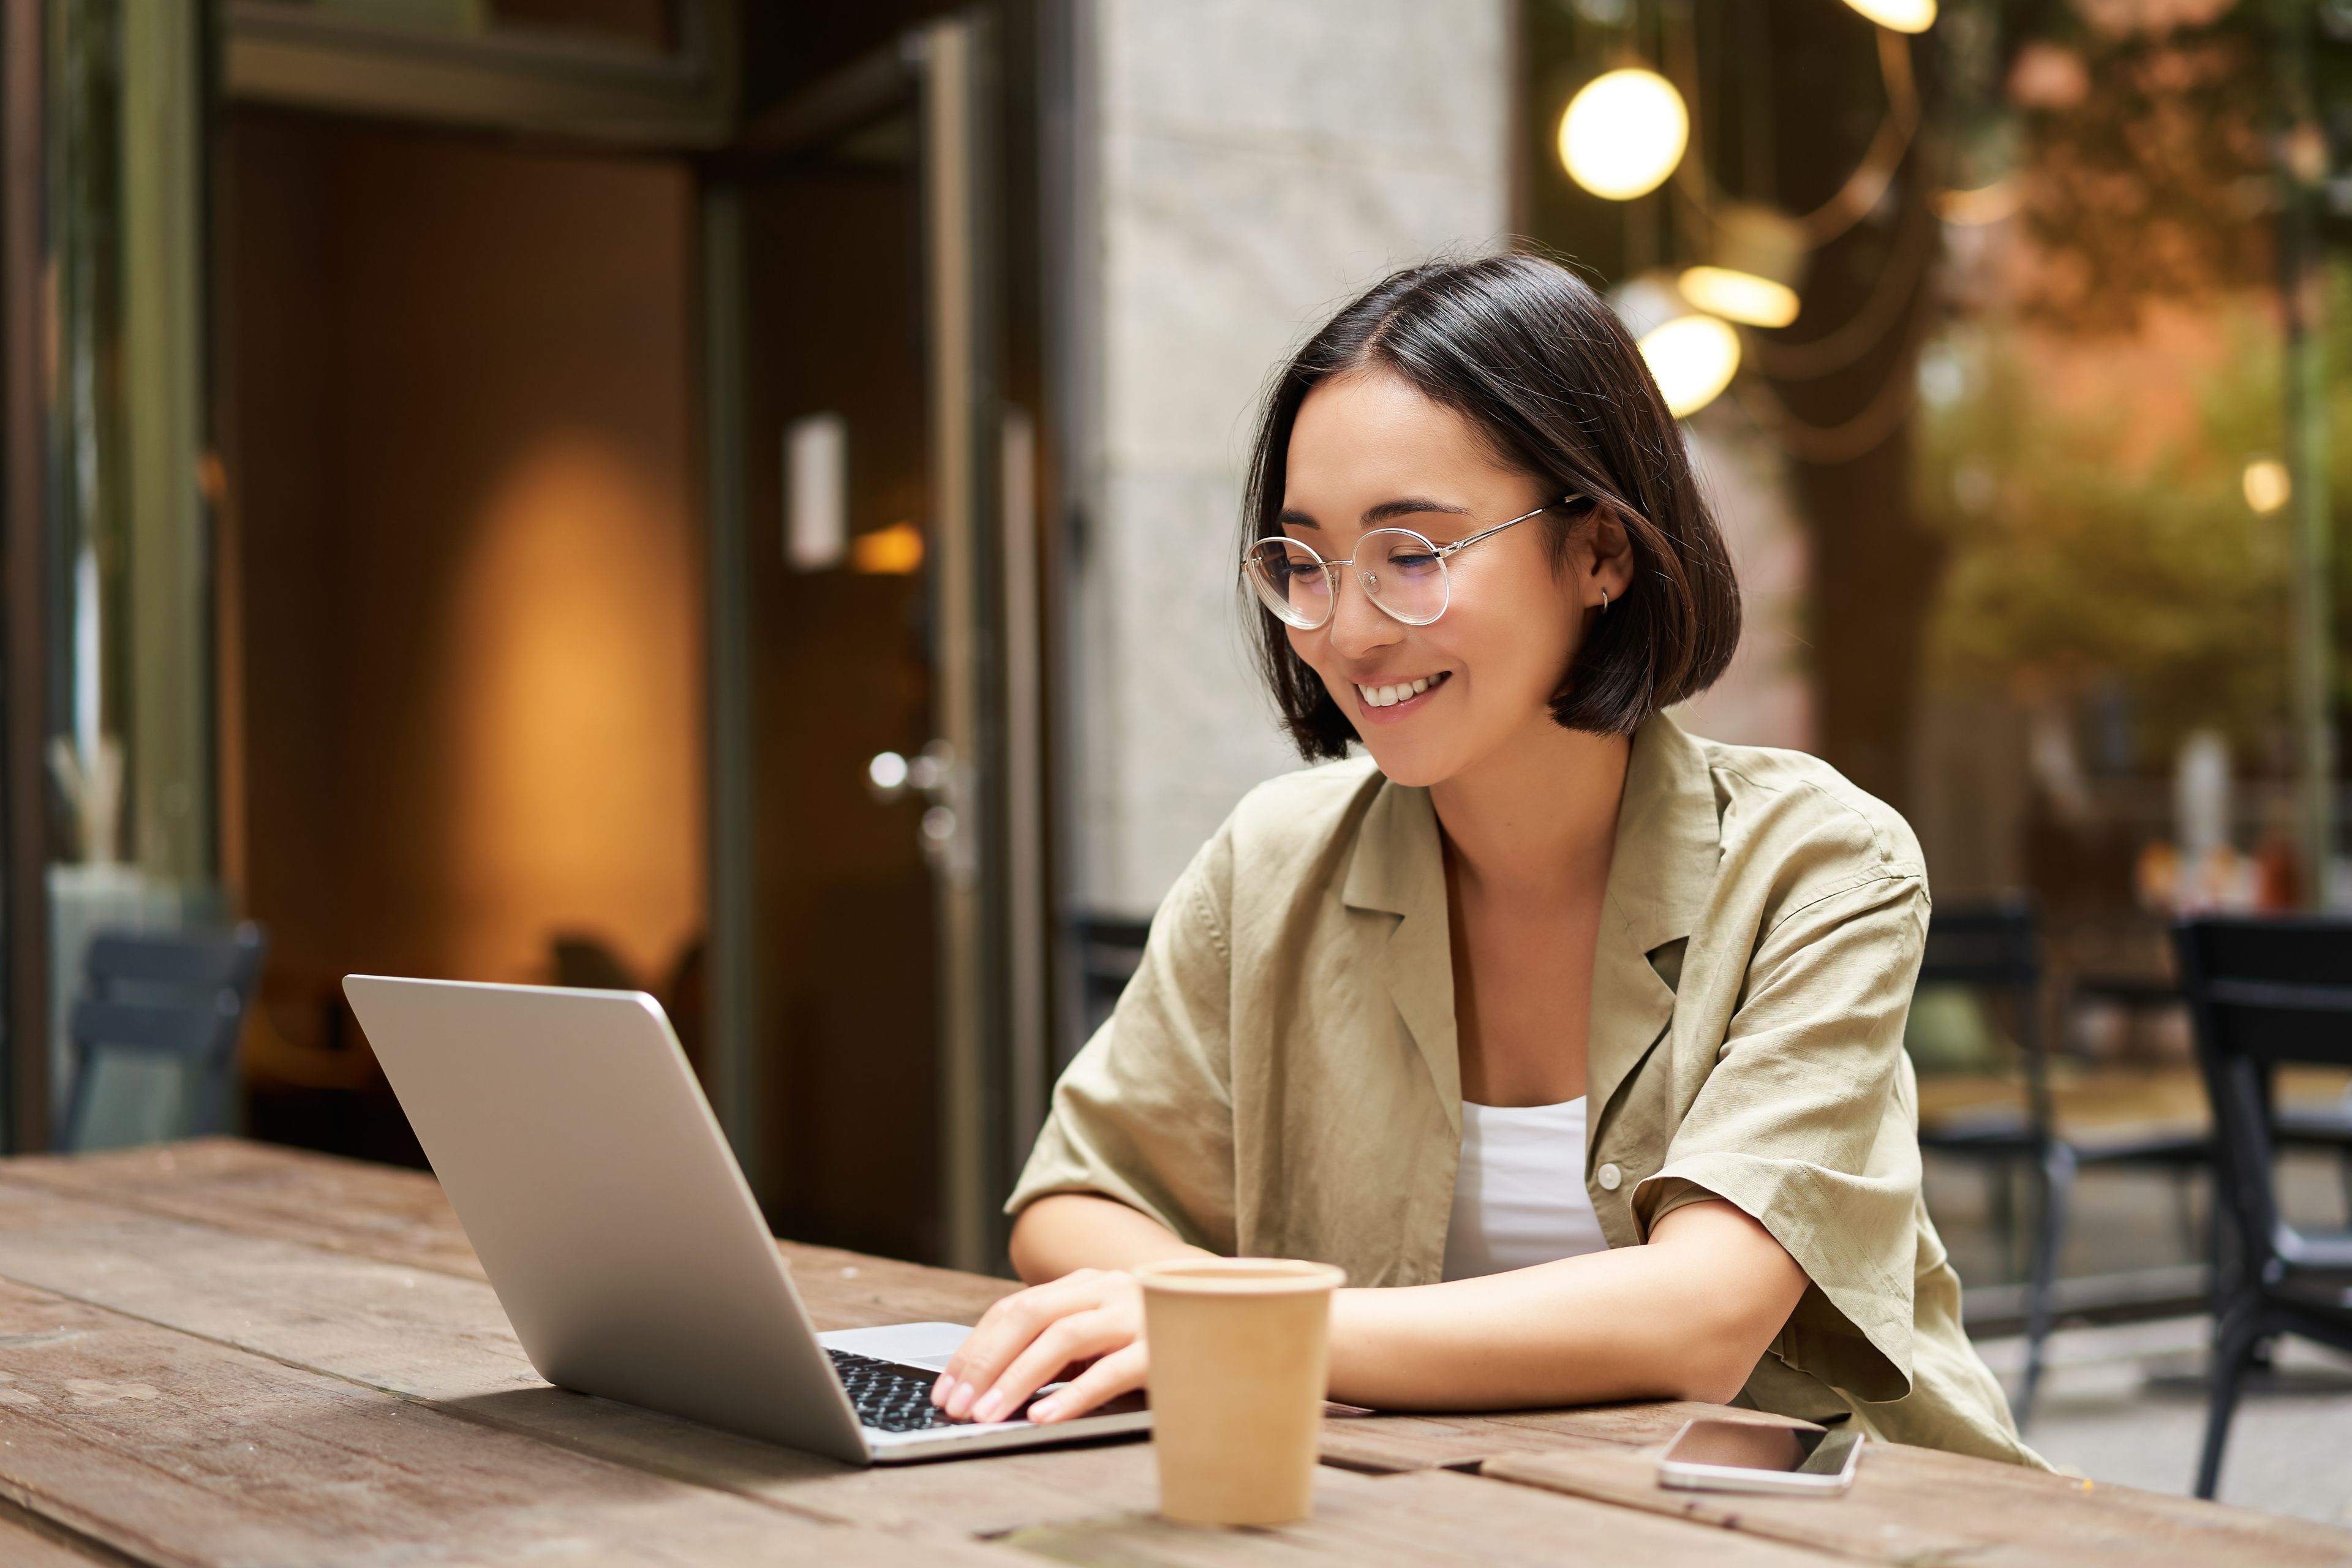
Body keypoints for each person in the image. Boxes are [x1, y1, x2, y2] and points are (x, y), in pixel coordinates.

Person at [931, 254, 2038, 1464]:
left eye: (1413, 552)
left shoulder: (1818, 864)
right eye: (1304, 562)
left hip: (1837, 1529)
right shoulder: (1274, 858)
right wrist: (1206, 1313)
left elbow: (1702, 1315)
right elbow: (1074, 1197)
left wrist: (1241, 1322)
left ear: (1602, 551)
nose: (1346, 630)